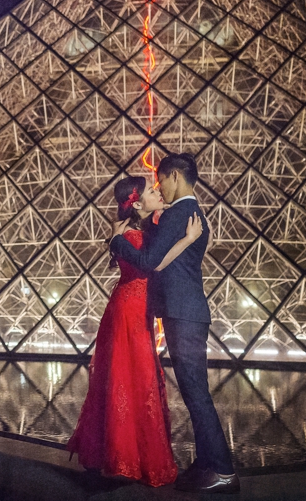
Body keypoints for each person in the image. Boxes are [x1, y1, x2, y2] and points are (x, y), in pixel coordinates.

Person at [110, 153, 238, 494]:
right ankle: (207, 463)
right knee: (196, 391)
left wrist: (116, 240)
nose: (159, 188)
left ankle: (223, 471)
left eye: (161, 180)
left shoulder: (178, 213)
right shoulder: (188, 214)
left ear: (176, 177)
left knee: (196, 393)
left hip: (184, 314)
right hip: (187, 312)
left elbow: (151, 261)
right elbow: (164, 254)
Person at [67, 175, 202, 487]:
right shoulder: (127, 234)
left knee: (127, 378)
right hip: (129, 311)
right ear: (138, 202)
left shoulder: (134, 229)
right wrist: (188, 240)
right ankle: (126, 458)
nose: (159, 192)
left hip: (131, 306)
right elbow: (152, 265)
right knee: (132, 379)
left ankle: (111, 456)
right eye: (153, 191)